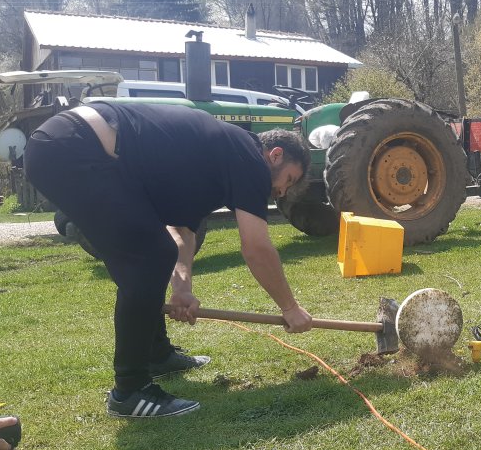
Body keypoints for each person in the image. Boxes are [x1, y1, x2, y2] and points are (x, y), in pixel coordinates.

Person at [25, 101, 315, 418]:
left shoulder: (219, 161)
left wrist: (183, 289)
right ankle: (130, 390)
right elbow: (256, 247)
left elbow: (182, 232)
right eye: (287, 179)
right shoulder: (248, 157)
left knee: (152, 249)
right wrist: (290, 307)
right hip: (74, 147)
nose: (282, 192)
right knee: (148, 255)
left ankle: (156, 354)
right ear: (275, 155)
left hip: (68, 146)